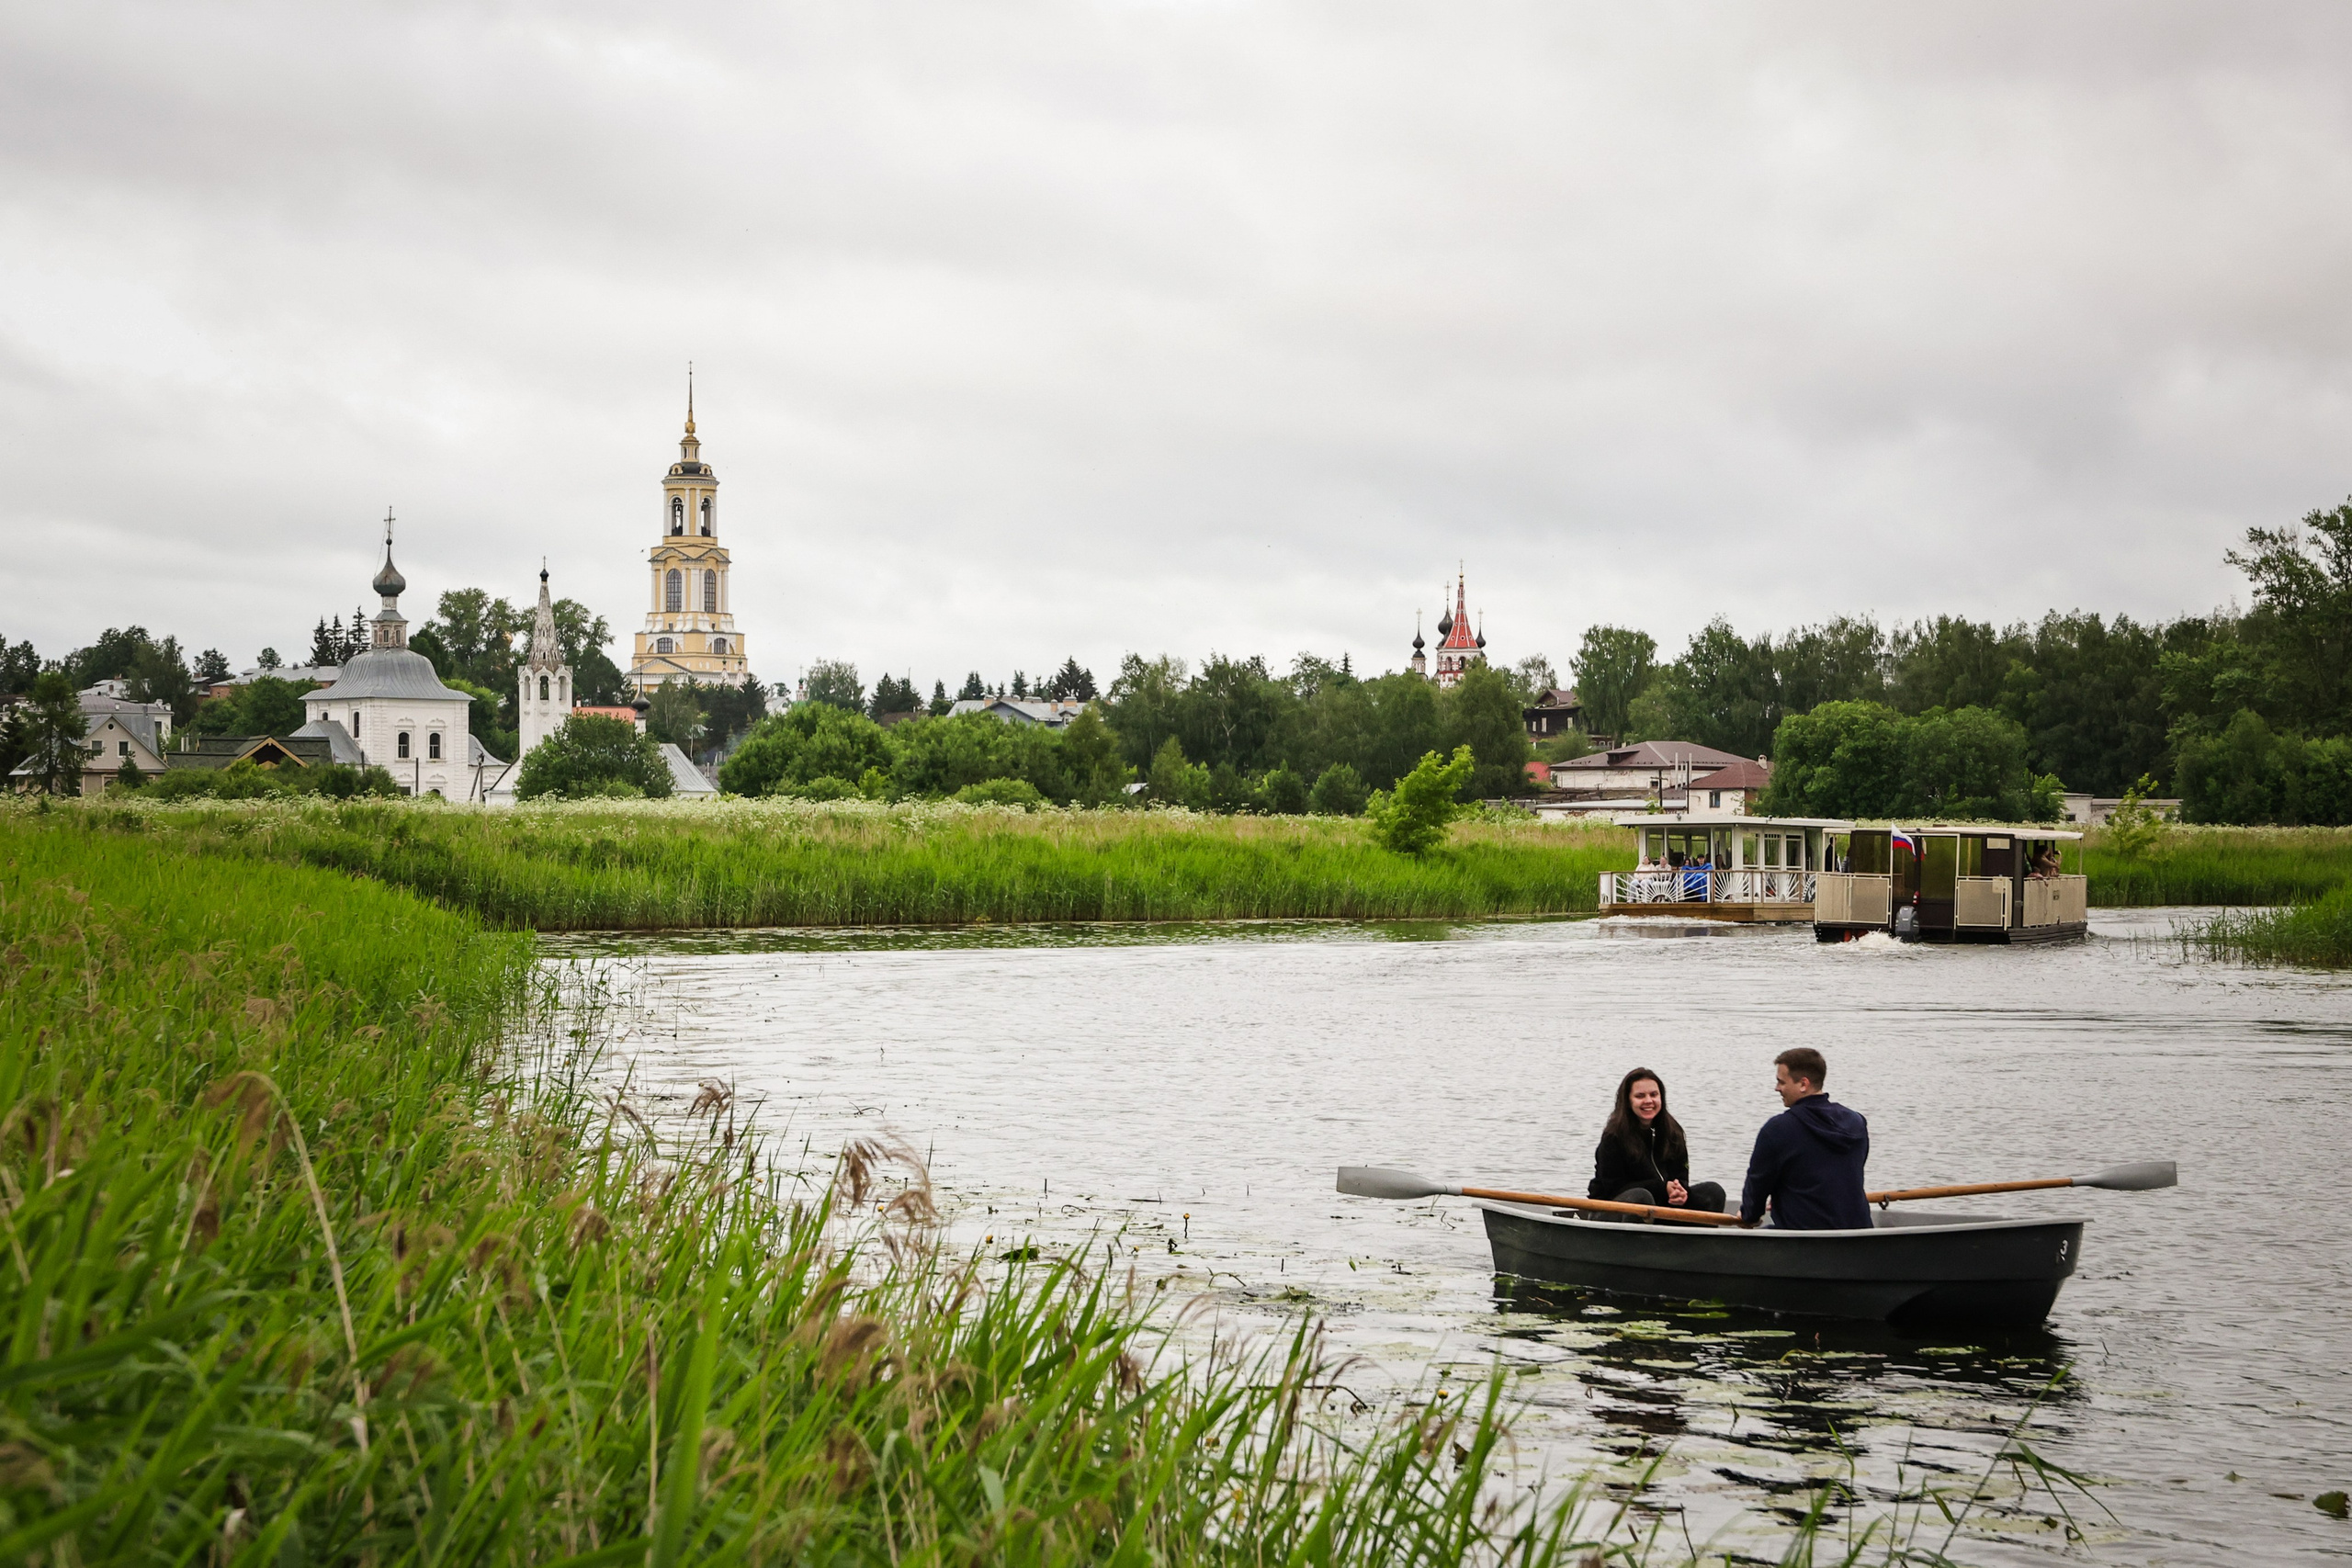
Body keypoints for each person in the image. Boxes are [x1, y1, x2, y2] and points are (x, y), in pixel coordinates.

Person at [1738, 1047, 1870, 1230]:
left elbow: (1757, 1188)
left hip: (1803, 1240)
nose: (1777, 1088)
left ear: (1803, 1084)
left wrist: (1749, 1215)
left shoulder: (1777, 1129)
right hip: (1858, 1235)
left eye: (1781, 1082)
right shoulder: (1856, 1122)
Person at [1589, 1067, 1726, 1215]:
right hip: (1612, 1210)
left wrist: (1680, 1192)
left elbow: (1680, 1177)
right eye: (1640, 1096)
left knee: (1713, 1192)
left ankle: (1697, 1238)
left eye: (1654, 1095)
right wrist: (1661, 1188)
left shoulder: (1673, 1133)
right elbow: (1614, 1188)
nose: (1648, 1101)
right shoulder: (1613, 1137)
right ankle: (1639, 1238)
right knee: (1642, 1197)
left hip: (1661, 1207)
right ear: (1628, 1101)